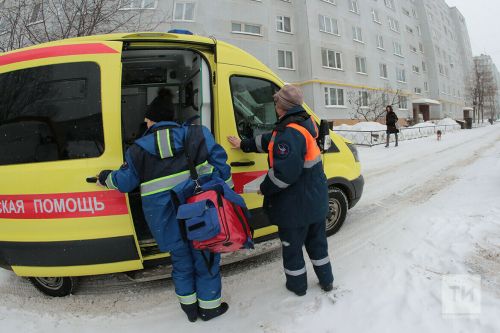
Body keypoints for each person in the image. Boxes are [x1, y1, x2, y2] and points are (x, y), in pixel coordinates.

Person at [97, 92, 232, 322]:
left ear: (151, 120)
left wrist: (106, 177)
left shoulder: (137, 150)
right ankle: (209, 308)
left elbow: (126, 182)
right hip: (200, 211)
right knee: (206, 257)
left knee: (181, 262)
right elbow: (221, 164)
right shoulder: (197, 134)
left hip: (164, 219)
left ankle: (189, 310)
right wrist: (223, 191)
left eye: (147, 119)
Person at [227, 84, 334, 296]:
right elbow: (271, 140)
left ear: (281, 106)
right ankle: (327, 281)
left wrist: (265, 188)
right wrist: (244, 144)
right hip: (314, 201)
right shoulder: (304, 122)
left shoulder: (289, 132)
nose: (274, 104)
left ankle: (297, 287)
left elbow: (284, 174)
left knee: (292, 249)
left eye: (276, 101)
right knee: (318, 245)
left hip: (296, 207)